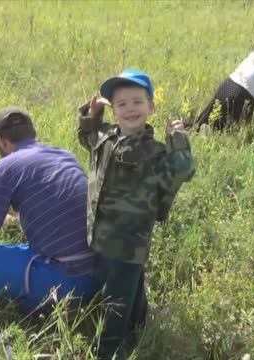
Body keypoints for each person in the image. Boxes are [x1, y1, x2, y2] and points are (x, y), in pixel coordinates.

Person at [77, 68, 195, 359]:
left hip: (130, 240)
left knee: (115, 300)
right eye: (122, 104)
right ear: (113, 110)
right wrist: (91, 114)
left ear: (151, 107)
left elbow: (183, 169)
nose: (130, 109)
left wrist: (177, 138)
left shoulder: (154, 153)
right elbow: (87, 136)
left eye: (137, 102)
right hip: (101, 234)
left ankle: (109, 349)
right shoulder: (104, 137)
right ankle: (140, 325)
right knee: (128, 284)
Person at [0, 106, 98, 312]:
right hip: (100, 275)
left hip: (66, 282)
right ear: (33, 133)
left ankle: (32, 301)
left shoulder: (5, 168)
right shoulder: (64, 155)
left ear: (0, 141)